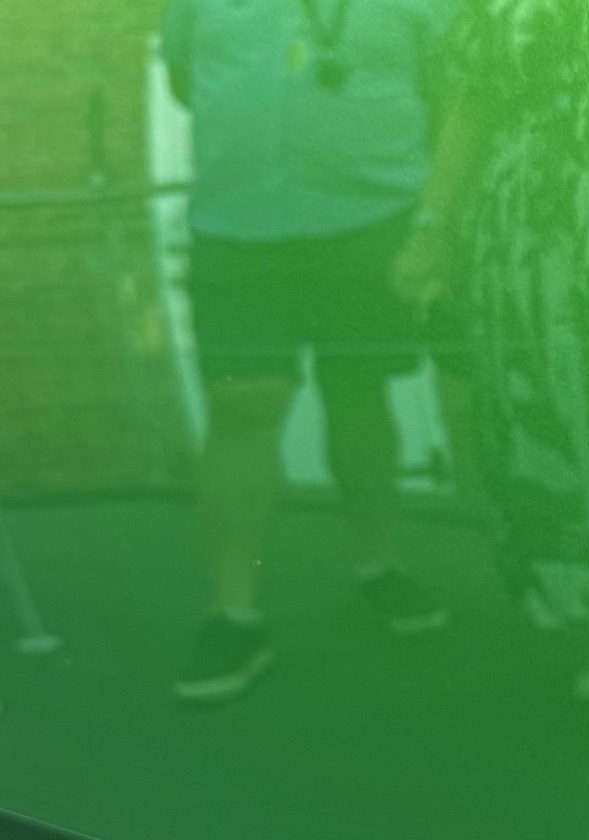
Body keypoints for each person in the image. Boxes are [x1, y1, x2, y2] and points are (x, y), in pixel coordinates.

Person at [161, 0, 458, 703]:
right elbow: (185, 77)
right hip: (237, 226)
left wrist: (433, 221)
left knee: (358, 387)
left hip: (372, 220)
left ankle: (378, 564)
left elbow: (446, 91)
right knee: (241, 402)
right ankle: (234, 613)